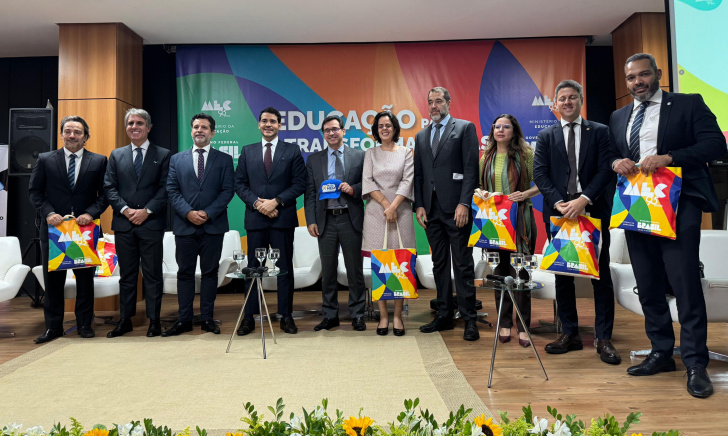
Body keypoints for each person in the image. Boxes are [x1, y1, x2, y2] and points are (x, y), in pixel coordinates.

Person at [609, 53, 726, 398]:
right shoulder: (618, 116)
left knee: (684, 282)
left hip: (679, 203)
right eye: (631, 78)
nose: (638, 82)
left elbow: (715, 144)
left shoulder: (688, 104)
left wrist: (669, 158)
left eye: (644, 75)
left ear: (658, 74)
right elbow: (610, 154)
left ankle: (695, 363)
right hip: (636, 206)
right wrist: (616, 162)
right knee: (648, 283)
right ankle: (661, 352)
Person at [533, 80, 620, 364]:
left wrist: (584, 199)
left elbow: (606, 170)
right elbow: (540, 173)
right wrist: (559, 203)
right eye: (562, 98)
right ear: (555, 104)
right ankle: (569, 333)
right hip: (559, 214)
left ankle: (603, 337)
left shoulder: (600, 131)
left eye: (572, 97)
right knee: (563, 274)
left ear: (581, 100)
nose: (567, 102)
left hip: (592, 210)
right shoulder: (546, 135)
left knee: (600, 274)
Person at [29, 115, 108, 343]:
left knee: (85, 281)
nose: (72, 135)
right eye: (68, 131)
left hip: (85, 230)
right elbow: (34, 192)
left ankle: (84, 324)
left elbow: (105, 195)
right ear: (62, 134)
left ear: (86, 136)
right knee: (53, 281)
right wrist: (48, 213)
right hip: (54, 231)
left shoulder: (99, 161)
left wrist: (91, 213)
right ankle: (53, 328)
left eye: (77, 132)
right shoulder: (45, 159)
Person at [414, 87, 480, 341]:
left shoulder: (464, 128)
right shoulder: (421, 135)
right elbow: (420, 174)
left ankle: (469, 319)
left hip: (457, 210)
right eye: (430, 102)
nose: (434, 106)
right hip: (431, 211)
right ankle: (444, 316)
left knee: (462, 265)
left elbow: (470, 169)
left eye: (439, 101)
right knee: (439, 264)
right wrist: (419, 205)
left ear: (449, 103)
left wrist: (465, 203)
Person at [234, 107, 306, 336]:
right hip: (255, 219)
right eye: (264, 121)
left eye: (273, 121)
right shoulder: (247, 151)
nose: (268, 124)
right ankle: (249, 317)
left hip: (282, 219)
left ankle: (286, 315)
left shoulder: (292, 150)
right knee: (253, 270)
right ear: (259, 124)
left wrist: (276, 202)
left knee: (284, 269)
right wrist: (258, 204)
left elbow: (299, 183)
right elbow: (239, 184)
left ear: (279, 125)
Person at [164, 113, 234, 336]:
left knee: (210, 273)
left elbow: (227, 191)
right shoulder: (176, 159)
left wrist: (208, 213)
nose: (199, 130)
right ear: (191, 130)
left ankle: (207, 319)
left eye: (204, 127)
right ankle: (184, 320)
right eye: (196, 127)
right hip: (185, 226)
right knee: (184, 273)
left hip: (213, 226)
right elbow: (172, 190)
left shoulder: (224, 159)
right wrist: (188, 212)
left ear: (212, 133)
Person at [104, 108, 171, 338]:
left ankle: (154, 320)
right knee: (127, 276)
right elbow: (109, 188)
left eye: (139, 123)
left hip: (151, 224)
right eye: (131, 123)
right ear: (126, 128)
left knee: (153, 275)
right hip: (124, 225)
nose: (134, 127)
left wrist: (147, 211)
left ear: (148, 128)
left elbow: (165, 188)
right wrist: (125, 209)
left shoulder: (163, 154)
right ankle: (125, 320)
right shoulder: (116, 155)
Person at [480, 114, 539, 347]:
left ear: (514, 131)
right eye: (497, 126)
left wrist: (524, 194)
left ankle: (523, 325)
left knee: (522, 274)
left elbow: (542, 183)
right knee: (500, 273)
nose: (501, 130)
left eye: (506, 127)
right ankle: (504, 323)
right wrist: (482, 193)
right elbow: (479, 186)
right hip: (495, 222)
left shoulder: (526, 154)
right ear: (492, 131)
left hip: (521, 220)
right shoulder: (486, 157)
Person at [305, 115, 367, 331]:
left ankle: (357, 314)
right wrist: (311, 220)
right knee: (328, 271)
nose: (331, 133)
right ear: (323, 134)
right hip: (326, 220)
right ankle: (330, 315)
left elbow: (368, 184)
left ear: (343, 131)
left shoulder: (359, 156)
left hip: (351, 219)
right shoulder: (314, 160)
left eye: (334, 129)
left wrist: (354, 189)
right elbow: (310, 193)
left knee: (354, 270)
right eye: (327, 130)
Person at [361, 110, 415, 336]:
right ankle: (383, 316)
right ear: (376, 130)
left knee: (399, 264)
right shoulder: (370, 153)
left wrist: (394, 206)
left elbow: (408, 180)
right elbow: (367, 181)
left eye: (388, 125)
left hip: (401, 212)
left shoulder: (406, 152)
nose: (384, 129)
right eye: (380, 126)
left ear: (395, 129)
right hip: (376, 213)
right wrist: (386, 205)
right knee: (380, 265)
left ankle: (397, 317)